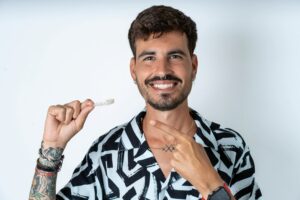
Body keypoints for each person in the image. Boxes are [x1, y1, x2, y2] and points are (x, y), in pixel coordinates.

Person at [29, 5, 262, 200]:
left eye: (175, 56)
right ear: (134, 69)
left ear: (193, 66)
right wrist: (52, 149)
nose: (162, 70)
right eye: (149, 58)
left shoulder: (230, 147)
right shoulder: (106, 151)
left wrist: (212, 186)